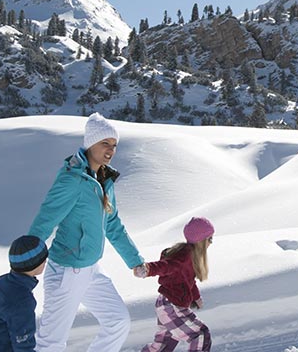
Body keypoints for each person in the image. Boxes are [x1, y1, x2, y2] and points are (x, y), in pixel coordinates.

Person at [28, 112, 147, 351]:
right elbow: (45, 220)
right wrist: (25, 263)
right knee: (51, 342)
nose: (111, 150)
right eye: (105, 143)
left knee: (118, 322)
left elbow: (112, 224)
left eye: (114, 145)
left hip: (91, 269)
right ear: (90, 142)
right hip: (66, 271)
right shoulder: (72, 180)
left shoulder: (103, 180)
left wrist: (134, 260)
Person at [139, 217, 215, 352]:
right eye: (210, 239)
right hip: (172, 306)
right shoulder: (185, 256)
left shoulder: (190, 256)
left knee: (163, 345)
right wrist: (148, 269)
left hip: (166, 304)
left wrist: (196, 297)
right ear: (201, 240)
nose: (211, 243)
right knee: (200, 335)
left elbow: (189, 281)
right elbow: (167, 266)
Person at [0, 235, 48, 351]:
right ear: (34, 264)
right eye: (43, 259)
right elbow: (23, 343)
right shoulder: (22, 300)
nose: (45, 261)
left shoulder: (3, 281)